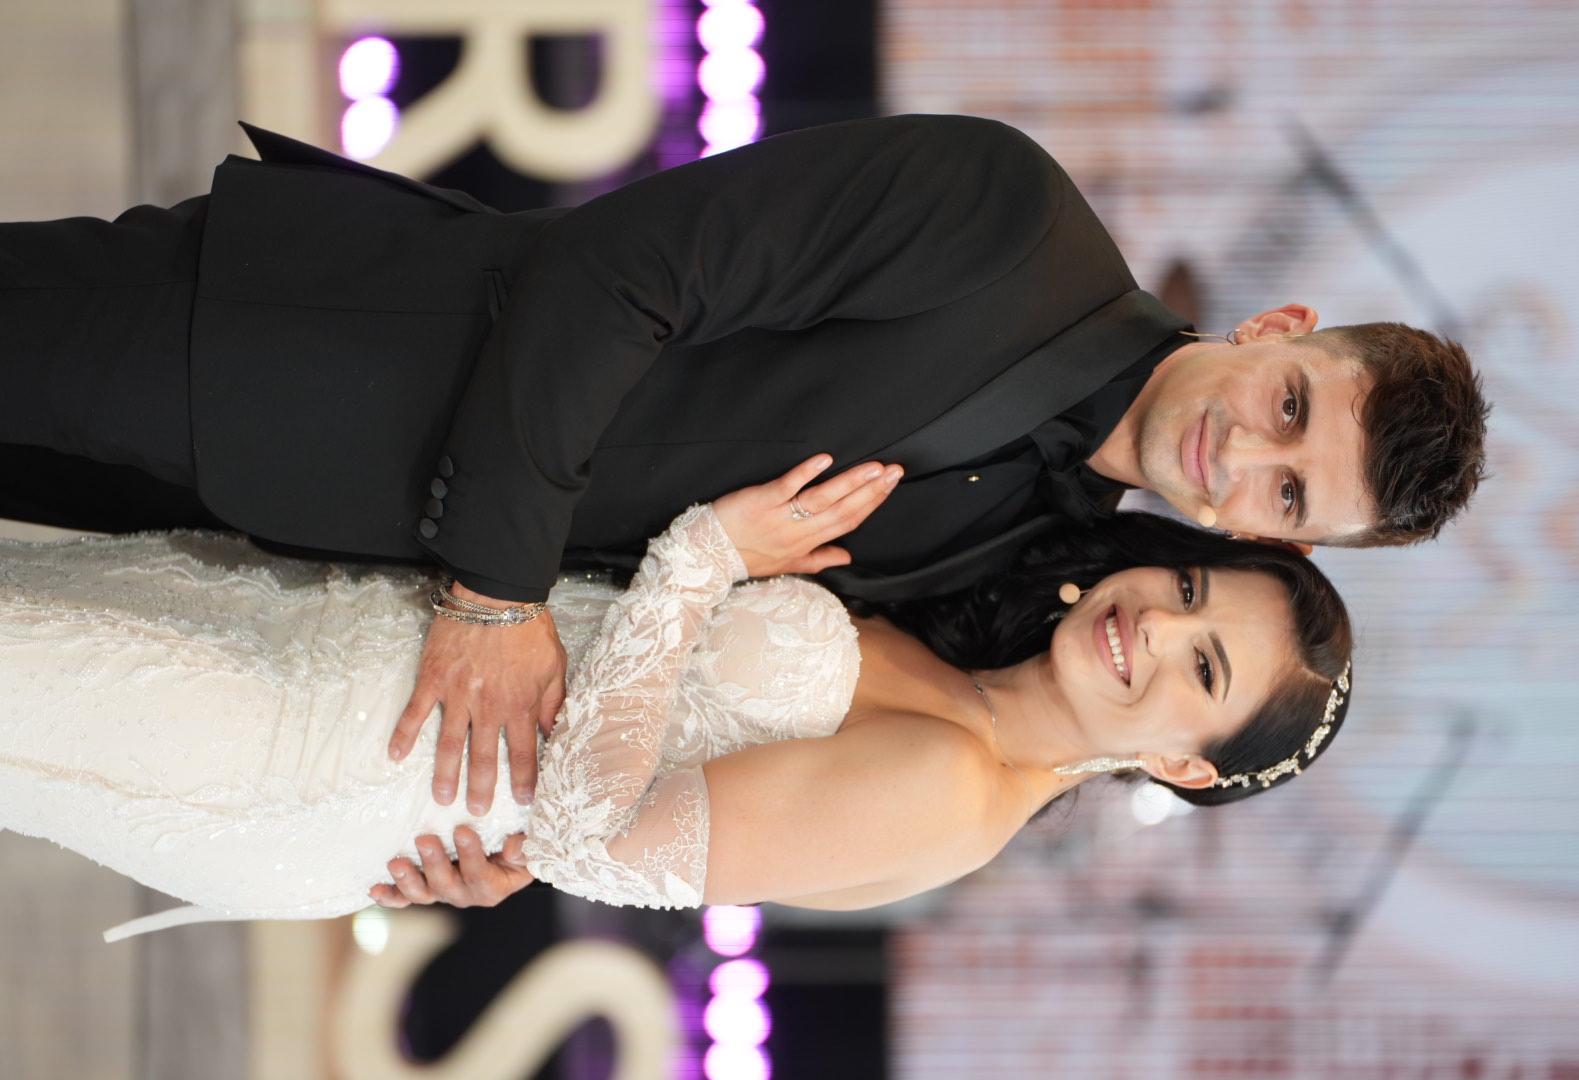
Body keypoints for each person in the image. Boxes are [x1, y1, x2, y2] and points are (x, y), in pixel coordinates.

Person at [0, 114, 1475, 826]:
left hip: (281, 567)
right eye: (1290, 404)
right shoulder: (1007, 216)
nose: (1246, 454)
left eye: (1290, 493)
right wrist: (495, 595)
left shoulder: (1035, 566)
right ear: (1277, 329)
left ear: (1281, 539)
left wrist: (522, 840)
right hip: (293, 349)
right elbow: (617, 272)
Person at [0, 457, 1351, 936]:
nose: (1154, 628)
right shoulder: (959, 659)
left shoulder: (957, 791)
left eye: (1203, 670)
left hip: (328, 753)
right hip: (344, 636)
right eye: (1188, 590)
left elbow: (596, 843)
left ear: (1186, 765)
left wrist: (701, 559)